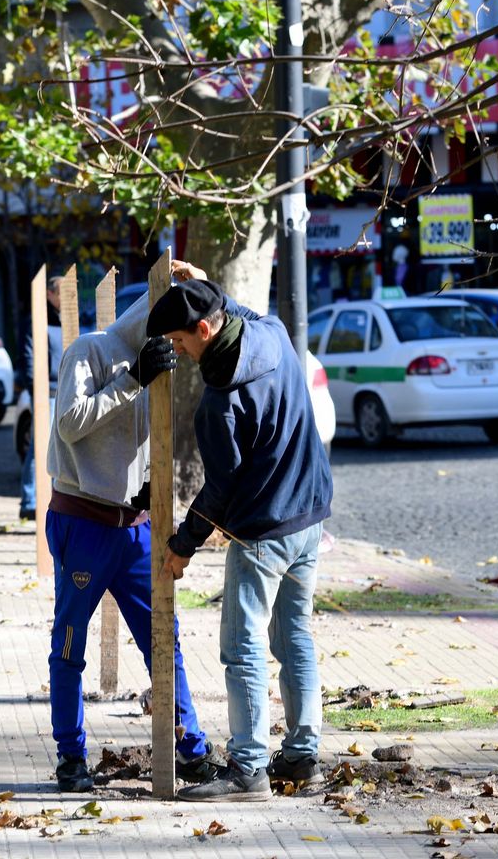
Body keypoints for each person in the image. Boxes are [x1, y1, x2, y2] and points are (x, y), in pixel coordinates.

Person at [146, 279, 333, 803]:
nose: (177, 352)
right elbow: (238, 309)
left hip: (264, 536)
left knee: (242, 647)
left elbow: (221, 490)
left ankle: (248, 768)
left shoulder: (219, 403)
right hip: (311, 519)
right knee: (294, 637)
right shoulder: (272, 334)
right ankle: (301, 757)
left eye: (180, 342)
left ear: (205, 329)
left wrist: (182, 544)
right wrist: (202, 280)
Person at [43, 273, 227, 793]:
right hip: (83, 521)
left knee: (163, 640)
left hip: (134, 527)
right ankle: (70, 756)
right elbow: (71, 424)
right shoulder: (89, 351)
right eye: (173, 334)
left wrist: (148, 486)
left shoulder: (159, 364)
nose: (178, 347)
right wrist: (130, 382)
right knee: (69, 643)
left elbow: (146, 438)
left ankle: (191, 750)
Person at [17, 275, 63, 521]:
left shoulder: (69, 321)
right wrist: (38, 393)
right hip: (47, 394)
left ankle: (54, 500)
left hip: (65, 393)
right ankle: (30, 502)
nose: (68, 297)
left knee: (60, 451)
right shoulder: (37, 323)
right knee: (39, 449)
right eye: (62, 292)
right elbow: (28, 359)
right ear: (49, 294)